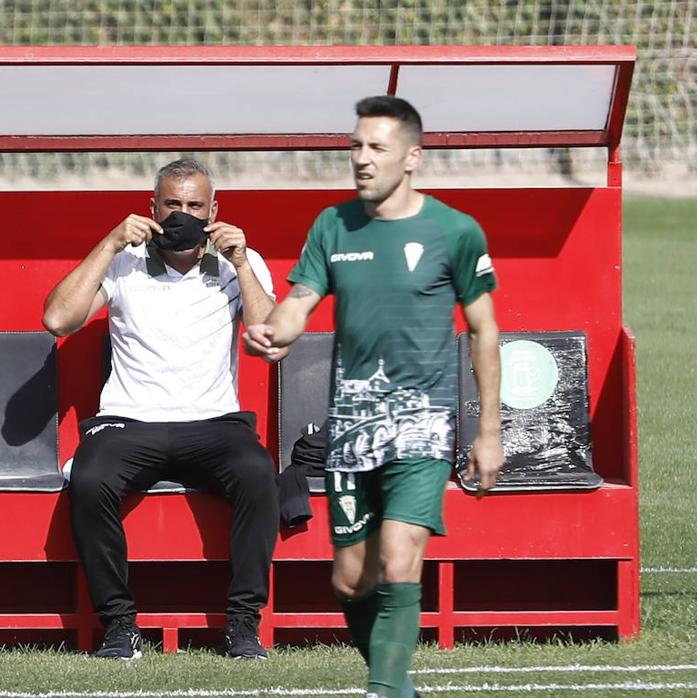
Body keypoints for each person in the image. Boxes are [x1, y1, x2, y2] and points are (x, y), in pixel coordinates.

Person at [244, 96, 504, 697]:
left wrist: (489, 432)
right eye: (356, 146)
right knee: (351, 580)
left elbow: (485, 328)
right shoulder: (333, 225)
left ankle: (383, 691)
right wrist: (271, 333)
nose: (361, 159)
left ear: (412, 157)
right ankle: (395, 682)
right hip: (352, 425)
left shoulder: (454, 231)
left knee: (397, 557)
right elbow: (298, 306)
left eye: (376, 148)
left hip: (423, 420)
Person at [42, 158, 281, 660]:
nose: (183, 214)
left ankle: (242, 623)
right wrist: (109, 243)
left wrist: (240, 262)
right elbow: (58, 320)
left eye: (195, 206)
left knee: (260, 474)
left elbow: (270, 342)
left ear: (214, 211)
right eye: (172, 204)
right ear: (152, 208)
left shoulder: (241, 261)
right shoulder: (125, 259)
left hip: (214, 422)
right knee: (89, 480)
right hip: (130, 421)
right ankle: (120, 625)